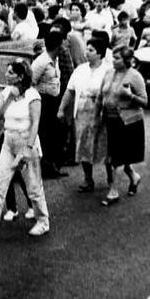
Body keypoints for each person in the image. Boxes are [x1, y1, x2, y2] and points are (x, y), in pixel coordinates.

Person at [0, 60, 50, 239]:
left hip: (27, 142)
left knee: (34, 187)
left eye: (11, 73)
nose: (7, 75)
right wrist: (9, 98)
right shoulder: (6, 92)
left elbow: (36, 123)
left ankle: (43, 221)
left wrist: (28, 149)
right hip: (8, 141)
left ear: (21, 77)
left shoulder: (33, 95)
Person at [58, 38, 111, 192]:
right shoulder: (80, 69)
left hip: (101, 113)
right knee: (83, 145)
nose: (87, 53)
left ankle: (110, 178)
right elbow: (70, 90)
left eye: (91, 50)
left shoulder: (108, 70)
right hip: (82, 112)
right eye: (86, 49)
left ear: (100, 53)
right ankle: (88, 179)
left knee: (105, 145)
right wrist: (61, 109)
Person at [98, 47, 148, 207]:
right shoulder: (108, 73)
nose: (114, 60)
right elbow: (101, 95)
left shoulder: (135, 76)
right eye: (113, 57)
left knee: (117, 157)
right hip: (110, 119)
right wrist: (97, 114)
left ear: (127, 60)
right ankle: (134, 177)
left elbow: (145, 101)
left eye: (118, 58)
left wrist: (130, 96)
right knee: (117, 155)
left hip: (127, 121)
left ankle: (113, 191)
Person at [31, 31, 66, 177]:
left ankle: (52, 166)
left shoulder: (54, 60)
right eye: (62, 45)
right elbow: (31, 82)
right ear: (57, 46)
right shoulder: (41, 62)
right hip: (43, 101)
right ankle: (44, 168)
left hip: (53, 100)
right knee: (45, 135)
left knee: (54, 135)